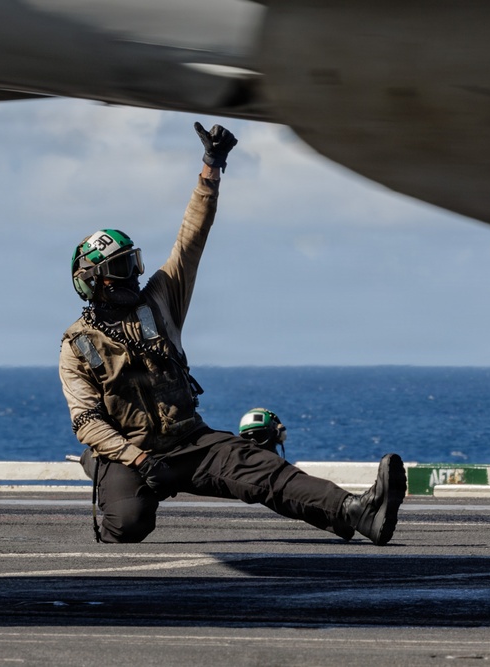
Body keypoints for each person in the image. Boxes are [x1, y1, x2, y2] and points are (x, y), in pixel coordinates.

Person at [59, 122, 406, 545]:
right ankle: (102, 473)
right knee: (128, 526)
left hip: (189, 441)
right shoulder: (76, 345)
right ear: (93, 282)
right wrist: (136, 457)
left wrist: (212, 166)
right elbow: (88, 421)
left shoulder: (161, 299)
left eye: (133, 263)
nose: (133, 274)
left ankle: (357, 512)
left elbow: (191, 237)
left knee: (263, 471)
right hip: (127, 453)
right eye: (119, 269)